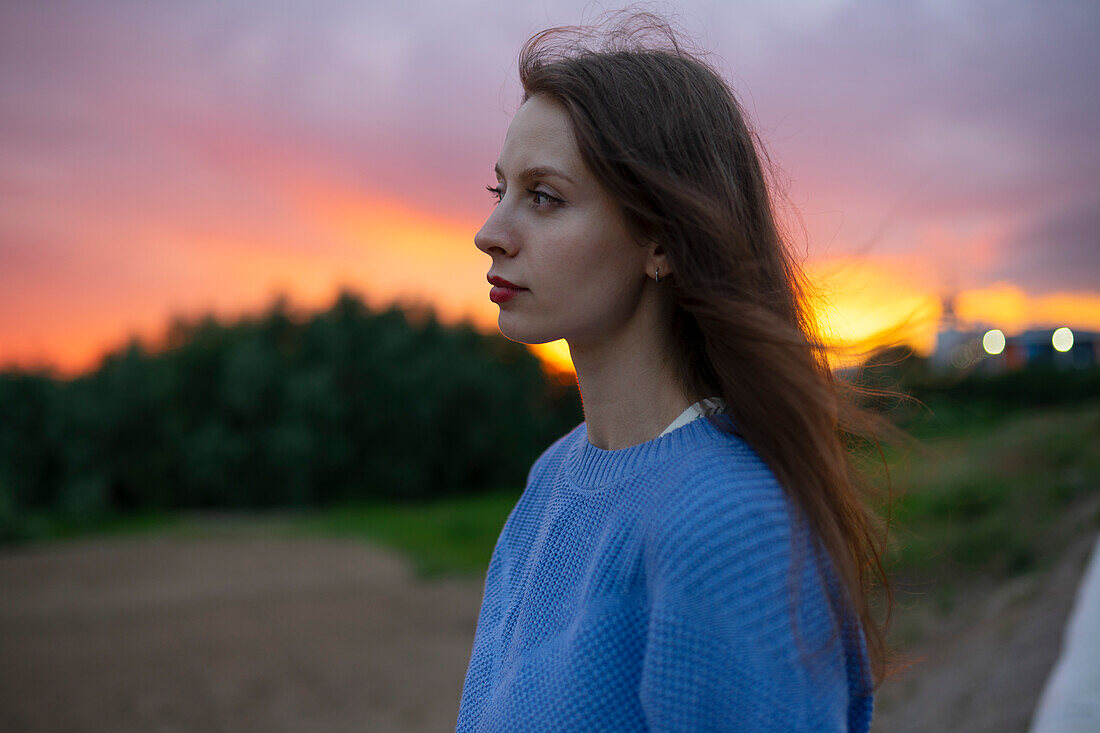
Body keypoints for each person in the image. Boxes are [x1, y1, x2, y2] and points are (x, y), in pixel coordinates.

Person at [458, 13, 891, 732]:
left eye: (544, 197)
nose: (490, 233)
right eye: (499, 190)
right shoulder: (554, 477)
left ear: (661, 241)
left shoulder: (729, 526)